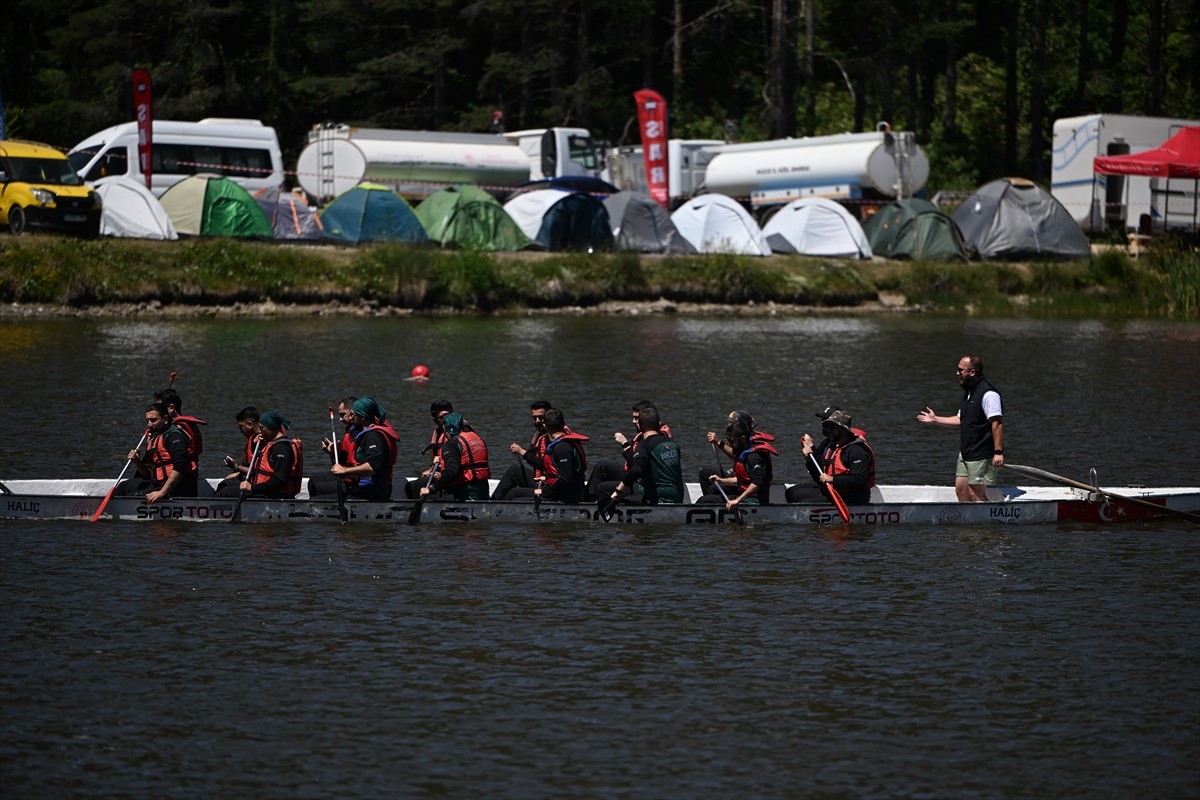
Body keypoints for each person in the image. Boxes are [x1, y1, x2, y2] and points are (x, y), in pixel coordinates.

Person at [917, 354, 1005, 502]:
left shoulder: (989, 394)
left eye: (960, 370)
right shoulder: (968, 393)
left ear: (972, 372)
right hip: (966, 451)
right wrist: (935, 419)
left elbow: (997, 424)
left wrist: (998, 452)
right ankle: (968, 525)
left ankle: (983, 524)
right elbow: (960, 420)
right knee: (961, 490)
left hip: (982, 452)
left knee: (975, 494)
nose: (957, 373)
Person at [586, 400, 673, 500]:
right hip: (640, 475)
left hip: (644, 480)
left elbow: (638, 467)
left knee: (602, 487)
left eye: (636, 418)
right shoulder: (658, 437)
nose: (633, 421)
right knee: (602, 466)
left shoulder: (651, 438)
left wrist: (625, 445)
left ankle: (587, 507)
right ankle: (587, 500)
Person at [600, 407, 684, 506]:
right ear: (658, 424)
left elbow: (637, 469)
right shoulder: (673, 444)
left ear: (640, 426)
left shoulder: (644, 445)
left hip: (657, 498)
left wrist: (617, 492)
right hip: (678, 497)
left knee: (602, 489)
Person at [787, 409, 875, 505]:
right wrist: (809, 457)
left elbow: (860, 479)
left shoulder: (856, 451)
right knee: (792, 493)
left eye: (832, 428)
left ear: (843, 429)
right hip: (833, 491)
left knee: (804, 504)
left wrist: (832, 479)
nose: (828, 430)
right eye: (826, 427)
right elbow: (819, 472)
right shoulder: (834, 445)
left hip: (852, 497)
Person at [116, 402, 200, 502]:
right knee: (123, 486)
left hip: (178, 488)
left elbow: (180, 467)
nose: (149, 425)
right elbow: (148, 475)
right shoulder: (156, 437)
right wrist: (137, 462)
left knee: (133, 496)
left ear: (165, 419)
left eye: (153, 420)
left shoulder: (175, 437)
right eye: (147, 421)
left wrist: (162, 492)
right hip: (159, 483)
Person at [503, 408, 589, 503]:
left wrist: (543, 492)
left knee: (514, 496)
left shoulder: (562, 449)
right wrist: (547, 478)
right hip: (560, 492)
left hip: (564, 497)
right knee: (514, 492)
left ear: (545, 426)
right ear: (563, 424)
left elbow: (565, 480)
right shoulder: (561, 444)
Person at [215, 410, 304, 499]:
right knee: (225, 486)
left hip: (272, 495)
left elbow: (280, 480)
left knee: (226, 492)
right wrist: (237, 467)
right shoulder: (274, 445)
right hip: (264, 490)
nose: (260, 433)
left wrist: (252, 488)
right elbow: (260, 471)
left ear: (270, 428)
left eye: (262, 428)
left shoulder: (281, 448)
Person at [330, 396, 400, 501]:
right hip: (360, 488)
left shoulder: (373, 437)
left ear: (363, 417)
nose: (350, 417)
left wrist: (345, 470)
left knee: (320, 495)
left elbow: (373, 466)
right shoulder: (362, 434)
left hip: (372, 492)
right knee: (317, 480)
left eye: (353, 414)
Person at [698, 420, 775, 509]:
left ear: (742, 439)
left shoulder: (754, 457)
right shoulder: (744, 451)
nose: (731, 444)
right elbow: (743, 479)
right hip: (743, 496)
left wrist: (737, 500)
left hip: (753, 501)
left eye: (732, 441)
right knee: (713, 489)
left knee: (704, 500)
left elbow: (757, 483)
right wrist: (721, 481)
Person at [418, 412, 491, 501]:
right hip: (482, 491)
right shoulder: (476, 438)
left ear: (444, 428)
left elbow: (451, 471)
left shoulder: (451, 444)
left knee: (416, 487)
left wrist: (431, 489)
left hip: (464, 493)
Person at [491, 400, 554, 500]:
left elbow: (545, 464)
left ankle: (494, 507)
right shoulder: (540, 435)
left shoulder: (555, 437)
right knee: (514, 470)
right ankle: (492, 501)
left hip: (549, 485)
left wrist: (522, 452)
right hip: (540, 480)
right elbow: (535, 459)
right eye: (534, 418)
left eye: (541, 418)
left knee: (513, 492)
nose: (537, 421)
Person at [308, 396, 358, 499]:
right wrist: (333, 453)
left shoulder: (361, 435)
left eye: (343, 415)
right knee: (313, 479)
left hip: (355, 484)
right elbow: (341, 465)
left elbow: (347, 469)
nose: (340, 419)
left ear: (352, 414)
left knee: (316, 488)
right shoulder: (349, 435)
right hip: (347, 477)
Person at [154, 387, 207, 472]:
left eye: (159, 409)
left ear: (171, 408)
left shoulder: (177, 429)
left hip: (176, 477)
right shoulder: (186, 425)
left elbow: (179, 463)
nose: (155, 413)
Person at [215, 406, 259, 494]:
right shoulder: (251, 440)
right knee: (223, 484)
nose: (240, 431)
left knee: (225, 492)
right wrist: (238, 473)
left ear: (249, 424)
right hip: (249, 478)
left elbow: (258, 471)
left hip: (256, 485)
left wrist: (236, 467)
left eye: (241, 426)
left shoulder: (261, 442)